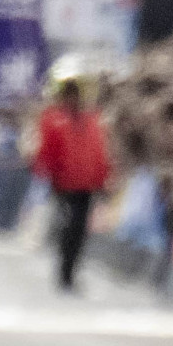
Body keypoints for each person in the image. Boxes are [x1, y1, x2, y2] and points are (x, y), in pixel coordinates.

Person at [31, 72, 113, 292]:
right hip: (63, 184)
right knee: (69, 227)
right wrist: (47, 174)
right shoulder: (53, 118)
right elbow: (46, 150)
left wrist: (104, 178)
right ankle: (64, 272)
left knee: (80, 230)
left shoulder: (92, 119)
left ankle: (71, 272)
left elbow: (100, 151)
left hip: (87, 185)